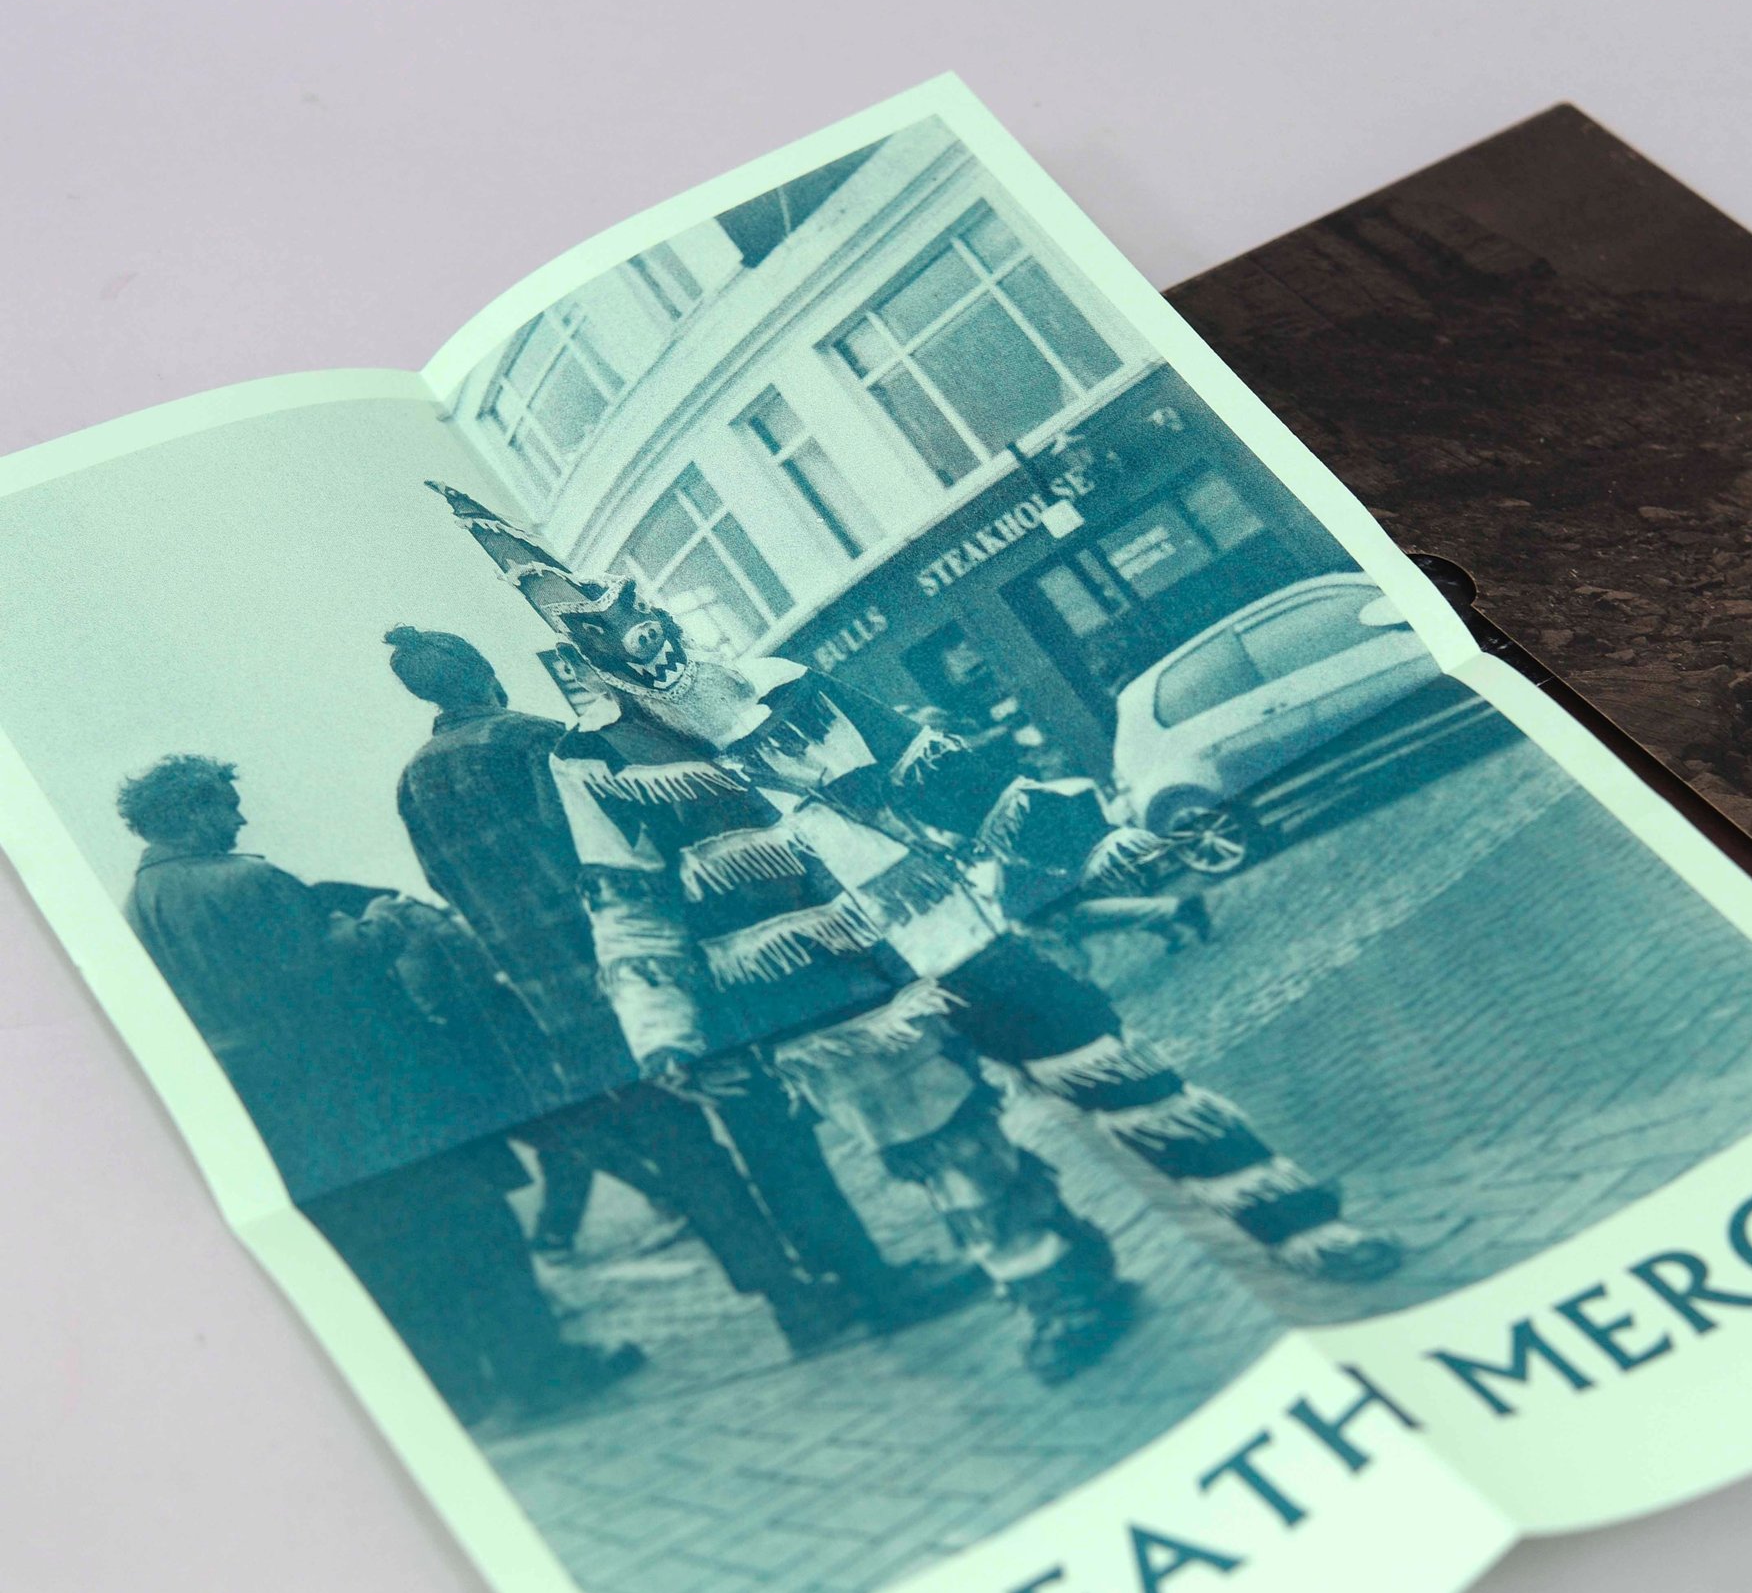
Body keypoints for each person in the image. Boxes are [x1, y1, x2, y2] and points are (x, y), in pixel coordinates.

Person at [431, 491, 1402, 1380]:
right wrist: (664, 1031)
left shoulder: (783, 682)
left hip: (946, 924)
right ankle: (1062, 1291)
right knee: (950, 1157)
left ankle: (1297, 1224)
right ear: (588, 659)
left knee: (1117, 1072)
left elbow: (939, 772)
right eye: (616, 645)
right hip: (830, 998)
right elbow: (626, 898)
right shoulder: (590, 762)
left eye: (647, 627)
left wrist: (1090, 839)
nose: (648, 654)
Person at [381, 624, 974, 1354]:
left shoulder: (413, 786)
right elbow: (616, 853)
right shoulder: (536, 741)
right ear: (483, 672)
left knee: (690, 1162)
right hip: (652, 978)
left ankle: (794, 1305)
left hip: (568, 1010)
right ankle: (869, 1284)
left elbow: (449, 889)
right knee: (769, 1131)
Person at [116, 753, 640, 1431]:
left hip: (285, 1116)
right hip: (369, 1093)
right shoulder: (246, 881)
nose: (239, 817)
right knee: (476, 1227)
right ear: (190, 810)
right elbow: (322, 975)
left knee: (392, 1258)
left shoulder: (140, 906)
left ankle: (462, 1395)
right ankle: (541, 1374)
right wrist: (382, 927)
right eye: (225, 803)